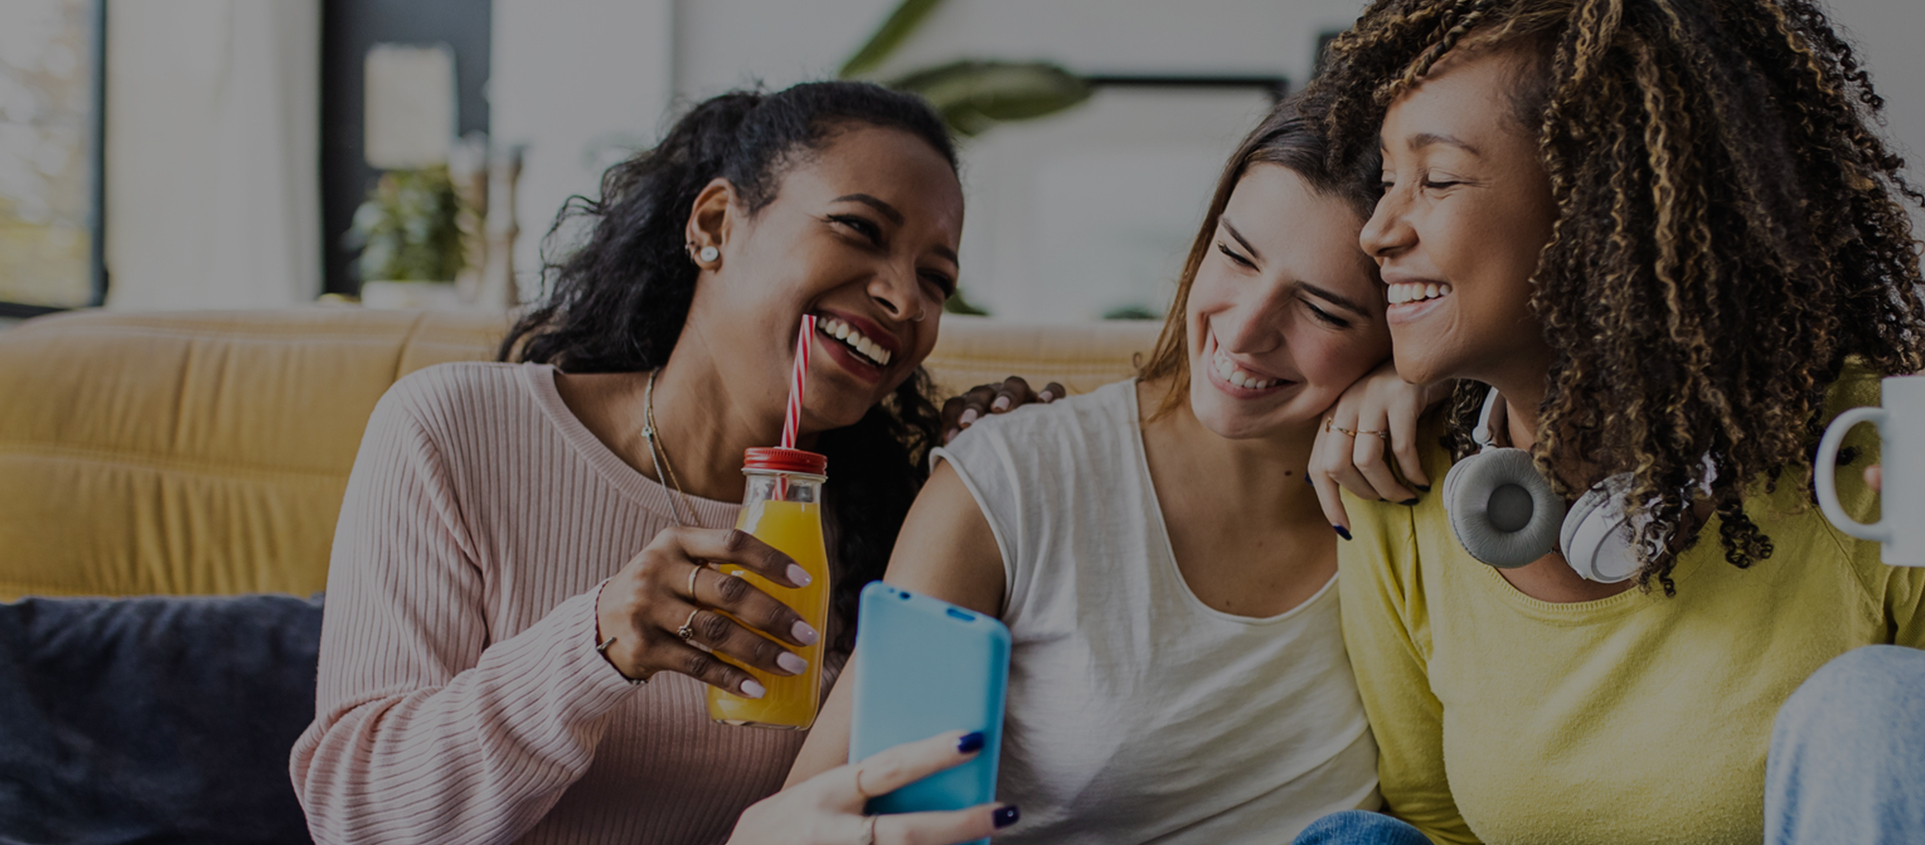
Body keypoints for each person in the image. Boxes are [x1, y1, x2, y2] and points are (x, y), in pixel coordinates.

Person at [1290, 2, 1925, 843]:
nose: (1378, 230)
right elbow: (1438, 822)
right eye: (1387, 179)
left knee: (1884, 704)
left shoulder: (1874, 456)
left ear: (1604, 209)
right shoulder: (1400, 481)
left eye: (1436, 178)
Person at [290, 80, 1008, 845]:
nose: (906, 300)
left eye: (937, 278)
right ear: (715, 224)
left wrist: (1015, 482)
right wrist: (598, 641)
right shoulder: (452, 432)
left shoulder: (896, 521)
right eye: (859, 228)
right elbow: (356, 818)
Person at [778, 99, 1394, 843]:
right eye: (1236, 255)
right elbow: (818, 820)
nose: (1243, 329)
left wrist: (1429, 381)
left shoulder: (1421, 505)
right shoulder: (1012, 480)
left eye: (1322, 309)